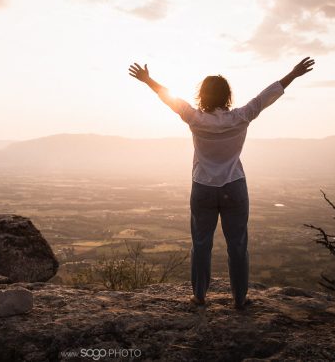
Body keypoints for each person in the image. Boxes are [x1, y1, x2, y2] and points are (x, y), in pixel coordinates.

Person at [128, 57, 315, 310]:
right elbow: (266, 96)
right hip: (234, 186)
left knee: (201, 244)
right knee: (237, 246)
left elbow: (169, 99)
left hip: (203, 187)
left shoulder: (194, 118)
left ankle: (199, 296)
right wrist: (293, 74)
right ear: (227, 95)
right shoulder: (241, 116)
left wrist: (148, 80)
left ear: (202, 95)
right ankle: (239, 299)